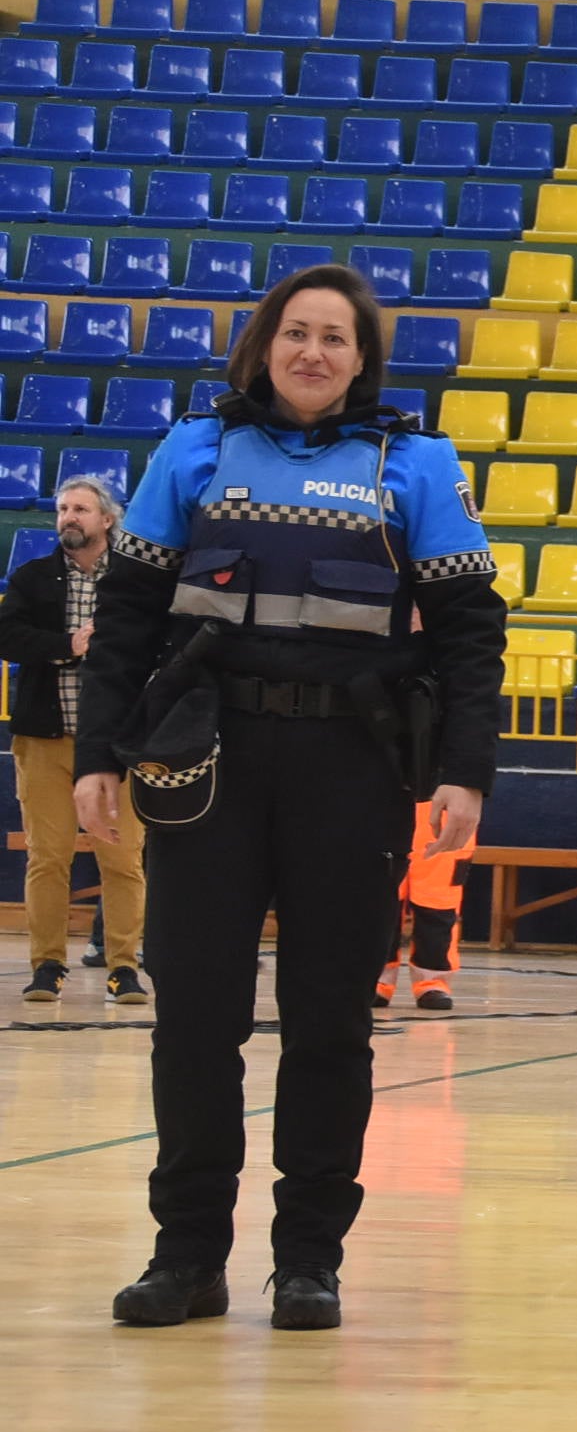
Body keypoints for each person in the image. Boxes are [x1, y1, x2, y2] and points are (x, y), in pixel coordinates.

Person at [79, 264, 504, 1332]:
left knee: (328, 1026)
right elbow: (128, 611)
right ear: (266, 344)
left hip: (351, 772)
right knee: (194, 1021)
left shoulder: (417, 462)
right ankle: (187, 1256)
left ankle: (309, 1257)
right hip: (207, 764)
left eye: (336, 338)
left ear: (363, 359)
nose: (313, 352)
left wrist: (464, 770)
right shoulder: (195, 449)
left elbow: (468, 635)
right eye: (296, 333)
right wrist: (96, 752)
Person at [0, 475, 147, 1010]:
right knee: (47, 857)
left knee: (123, 860)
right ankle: (47, 964)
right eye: (63, 508)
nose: (68, 517)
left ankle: (124, 968)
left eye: (81, 509)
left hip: (117, 746)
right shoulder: (34, 577)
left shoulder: (134, 580)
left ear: (107, 519)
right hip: (45, 738)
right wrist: (68, 644)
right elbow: (7, 636)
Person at [373, 798, 471, 1011]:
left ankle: (433, 983)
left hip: (443, 806)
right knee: (378, 901)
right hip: (383, 804)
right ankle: (374, 978)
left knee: (439, 904)